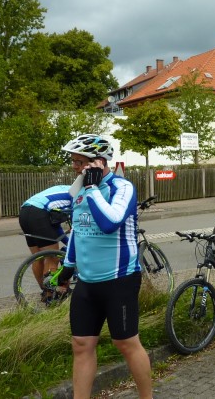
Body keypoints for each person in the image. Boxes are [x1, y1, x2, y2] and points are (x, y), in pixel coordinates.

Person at [60, 134, 153, 399]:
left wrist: (92, 189)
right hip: (87, 282)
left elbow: (110, 222)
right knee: (81, 344)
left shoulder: (122, 188)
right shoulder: (79, 190)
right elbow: (78, 231)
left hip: (119, 279)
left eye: (79, 162)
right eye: (73, 162)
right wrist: (67, 266)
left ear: (99, 162)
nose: (75, 167)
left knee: (125, 342)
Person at [18, 185, 73, 291]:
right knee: (52, 257)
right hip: (39, 213)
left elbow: (55, 226)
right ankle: (51, 293)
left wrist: (67, 242)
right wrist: (70, 243)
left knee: (38, 257)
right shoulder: (78, 194)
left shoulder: (66, 189)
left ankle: (45, 292)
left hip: (25, 212)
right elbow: (76, 226)